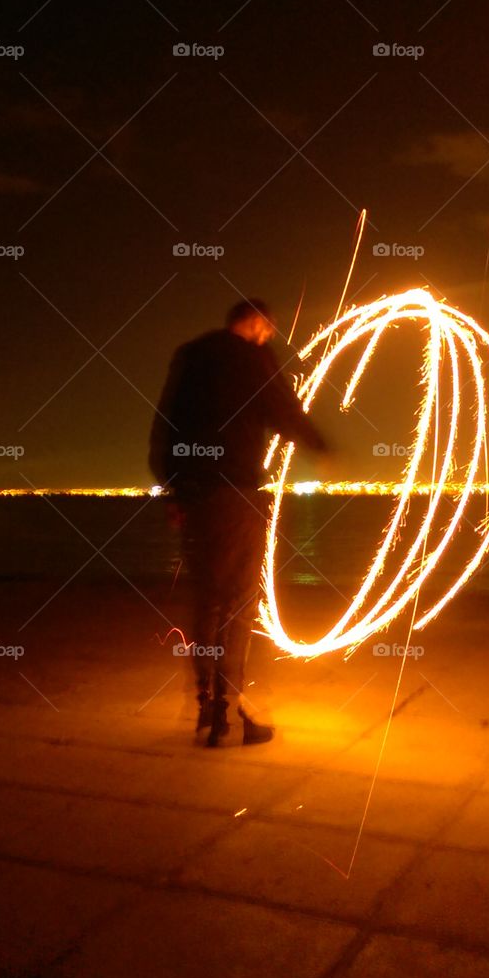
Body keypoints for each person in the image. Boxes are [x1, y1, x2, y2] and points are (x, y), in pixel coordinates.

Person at [149, 297, 327, 746]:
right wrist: (320, 445)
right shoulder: (251, 357)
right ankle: (231, 711)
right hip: (235, 492)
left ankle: (207, 706)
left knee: (207, 600)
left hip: (194, 496)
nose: (269, 338)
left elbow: (165, 426)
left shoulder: (189, 355)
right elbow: (283, 410)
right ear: (257, 324)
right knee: (239, 602)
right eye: (269, 330)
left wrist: (175, 488)